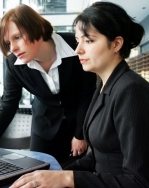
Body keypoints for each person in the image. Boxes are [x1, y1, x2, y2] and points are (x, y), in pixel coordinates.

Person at [9, 2, 149, 188]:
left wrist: (67, 179)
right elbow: (99, 157)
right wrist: (54, 175)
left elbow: (139, 182)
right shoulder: (104, 86)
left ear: (116, 44)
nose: (77, 50)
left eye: (88, 40)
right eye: (78, 40)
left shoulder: (131, 90)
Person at [0, 4, 96, 166]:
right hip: (44, 124)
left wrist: (80, 135)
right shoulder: (13, 63)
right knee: (37, 173)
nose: (13, 48)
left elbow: (87, 94)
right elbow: (8, 104)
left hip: (79, 122)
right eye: (8, 43)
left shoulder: (75, 46)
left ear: (36, 27)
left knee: (73, 175)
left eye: (17, 37)